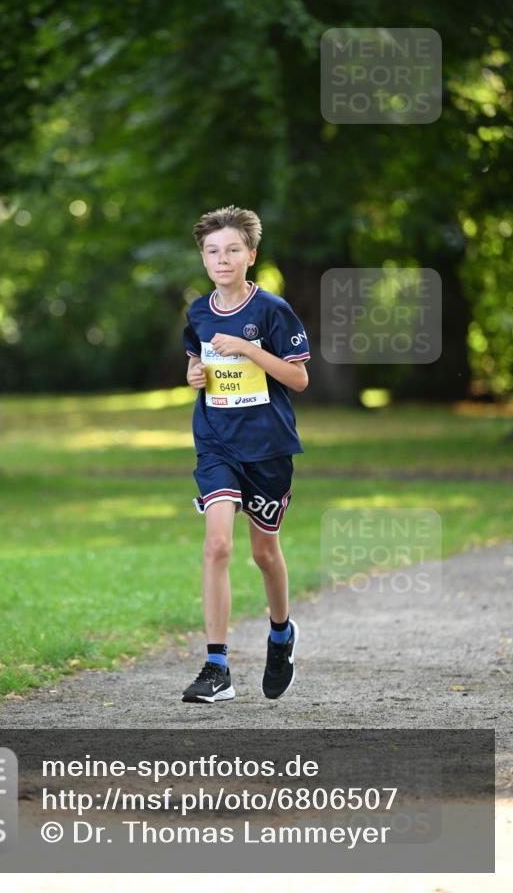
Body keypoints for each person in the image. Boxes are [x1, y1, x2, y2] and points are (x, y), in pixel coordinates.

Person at [181, 205, 310, 703]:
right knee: (217, 545)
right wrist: (193, 372)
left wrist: (250, 350)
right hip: (215, 441)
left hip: (268, 448)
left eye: (233, 249)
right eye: (213, 251)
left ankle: (281, 635)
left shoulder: (273, 311)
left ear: (251, 256)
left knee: (263, 552)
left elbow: (299, 378)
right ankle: (217, 667)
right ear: (203, 258)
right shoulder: (197, 311)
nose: (222, 258)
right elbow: (197, 359)